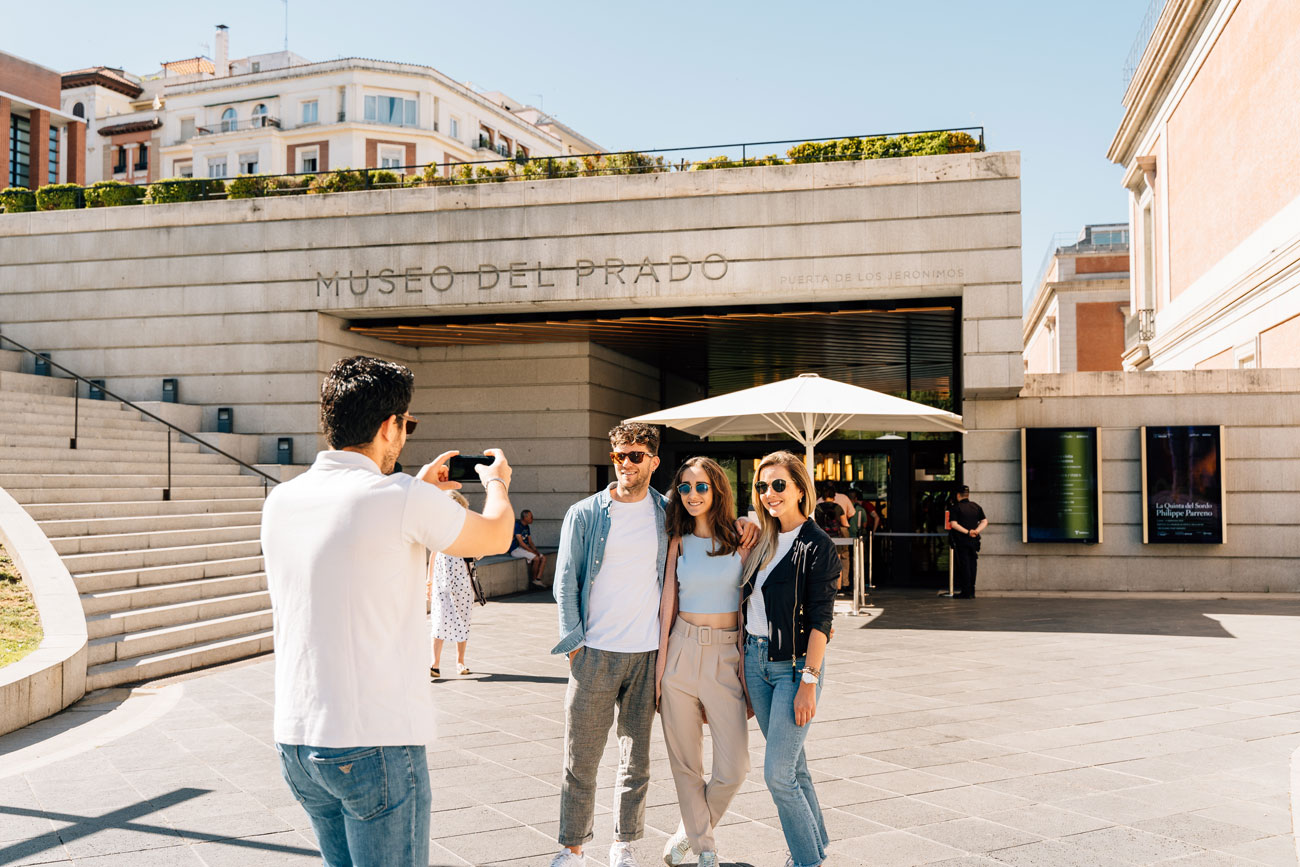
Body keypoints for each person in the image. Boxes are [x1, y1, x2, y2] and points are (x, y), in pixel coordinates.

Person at [261, 355, 515, 867]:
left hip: (297, 740)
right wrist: (497, 483)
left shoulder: (282, 500)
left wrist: (417, 490)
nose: (405, 434)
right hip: (372, 742)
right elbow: (497, 534)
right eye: (407, 423)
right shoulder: (399, 497)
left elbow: (360, 532)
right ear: (387, 426)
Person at [550, 424, 757, 867]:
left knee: (636, 763)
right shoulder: (586, 513)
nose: (626, 463)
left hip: (648, 657)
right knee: (580, 758)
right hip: (595, 654)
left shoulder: (667, 514)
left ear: (654, 461)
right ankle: (571, 849)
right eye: (620, 455)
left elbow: (710, 531)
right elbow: (565, 580)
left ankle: (623, 845)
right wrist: (574, 646)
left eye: (636, 455)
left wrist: (744, 521)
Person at [741, 451, 838, 867]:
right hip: (755, 663)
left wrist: (809, 683)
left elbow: (821, 622)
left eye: (779, 485)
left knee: (778, 775)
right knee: (794, 767)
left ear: (801, 488)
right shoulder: (762, 539)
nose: (769, 493)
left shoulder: (817, 544)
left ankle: (806, 861)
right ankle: (816, 845)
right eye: (763, 486)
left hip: (794, 668)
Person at [655, 457, 750, 867]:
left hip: (726, 656)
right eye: (685, 487)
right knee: (686, 765)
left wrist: (751, 520)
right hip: (680, 652)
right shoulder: (675, 540)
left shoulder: (744, 538)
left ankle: (686, 833)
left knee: (734, 769)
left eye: (701, 487)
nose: (693, 495)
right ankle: (705, 850)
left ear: (717, 491)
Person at [430, 490, 476, 679]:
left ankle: (460, 661)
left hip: (461, 580)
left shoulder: (466, 525)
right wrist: (428, 579)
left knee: (462, 620)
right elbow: (433, 552)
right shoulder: (438, 526)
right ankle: (435, 664)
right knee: (438, 620)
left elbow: (477, 550)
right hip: (441, 580)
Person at [948, 485, 987, 599]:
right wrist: (976, 531)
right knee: (973, 564)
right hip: (974, 541)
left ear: (958, 495)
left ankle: (965, 591)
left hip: (962, 541)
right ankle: (972, 590)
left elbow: (953, 524)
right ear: (968, 494)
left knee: (964, 565)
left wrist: (967, 532)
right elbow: (984, 521)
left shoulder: (955, 508)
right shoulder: (976, 506)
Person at [814, 483, 849, 589]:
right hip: (836, 538)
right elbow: (844, 523)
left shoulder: (818, 507)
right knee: (837, 561)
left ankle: (823, 586)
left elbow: (814, 522)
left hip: (822, 537)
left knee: (822, 562)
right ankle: (838, 587)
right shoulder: (838, 507)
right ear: (834, 496)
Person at [509, 508, 548, 588]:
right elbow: (521, 543)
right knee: (536, 558)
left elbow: (530, 542)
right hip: (516, 549)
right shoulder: (517, 525)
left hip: (525, 548)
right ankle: (533, 581)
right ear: (525, 517)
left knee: (543, 558)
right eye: (530, 517)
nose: (532, 518)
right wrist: (532, 552)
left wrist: (535, 550)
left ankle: (538, 579)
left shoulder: (527, 527)